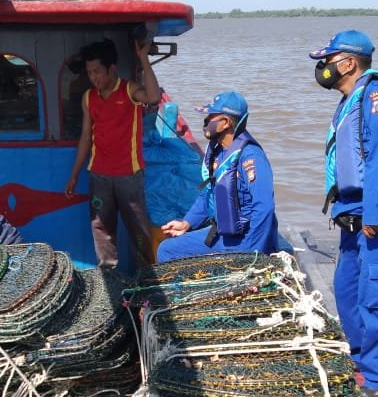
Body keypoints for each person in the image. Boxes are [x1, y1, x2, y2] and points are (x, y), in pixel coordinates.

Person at [311, 30, 378, 397]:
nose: (323, 68)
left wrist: (376, 214)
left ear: (349, 62)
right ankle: (358, 360)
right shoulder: (350, 100)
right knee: (347, 289)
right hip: (352, 215)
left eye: (328, 60)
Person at [64, 37, 160, 269]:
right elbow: (86, 137)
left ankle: (147, 275)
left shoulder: (129, 90)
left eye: (97, 71)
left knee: (138, 229)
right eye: (89, 72)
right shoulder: (89, 97)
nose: (93, 77)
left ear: (112, 69)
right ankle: (110, 276)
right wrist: (74, 174)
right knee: (101, 228)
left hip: (129, 176)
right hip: (99, 176)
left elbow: (153, 97)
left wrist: (144, 59)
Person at [157, 91, 279, 262]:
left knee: (168, 251)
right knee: (167, 249)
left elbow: (264, 208)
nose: (205, 121)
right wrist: (186, 223)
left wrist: (252, 254)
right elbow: (208, 194)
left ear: (226, 123)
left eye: (211, 117)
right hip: (222, 235)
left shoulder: (251, 157)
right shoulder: (217, 151)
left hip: (244, 239)